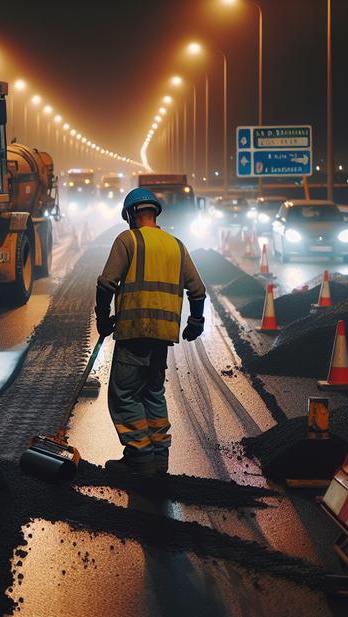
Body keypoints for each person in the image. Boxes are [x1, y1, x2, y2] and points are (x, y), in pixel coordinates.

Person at [95, 188, 207, 477]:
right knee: (153, 393)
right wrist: (195, 322)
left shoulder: (128, 240)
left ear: (131, 214)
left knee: (125, 396)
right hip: (163, 336)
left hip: (134, 332)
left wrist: (102, 317)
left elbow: (107, 283)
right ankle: (159, 459)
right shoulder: (177, 245)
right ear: (154, 213)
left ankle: (139, 458)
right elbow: (197, 290)